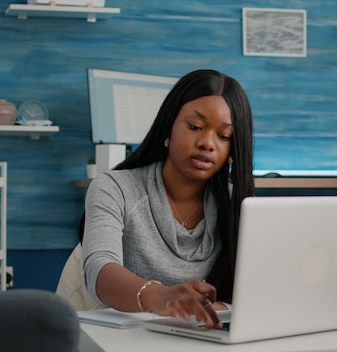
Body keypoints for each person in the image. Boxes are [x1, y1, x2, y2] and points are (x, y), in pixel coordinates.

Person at [81, 69, 254, 329]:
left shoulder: (237, 205)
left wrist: (212, 310)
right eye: (195, 126)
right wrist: (163, 297)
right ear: (169, 127)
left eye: (223, 136)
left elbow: (256, 291)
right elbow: (99, 269)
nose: (208, 143)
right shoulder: (115, 188)